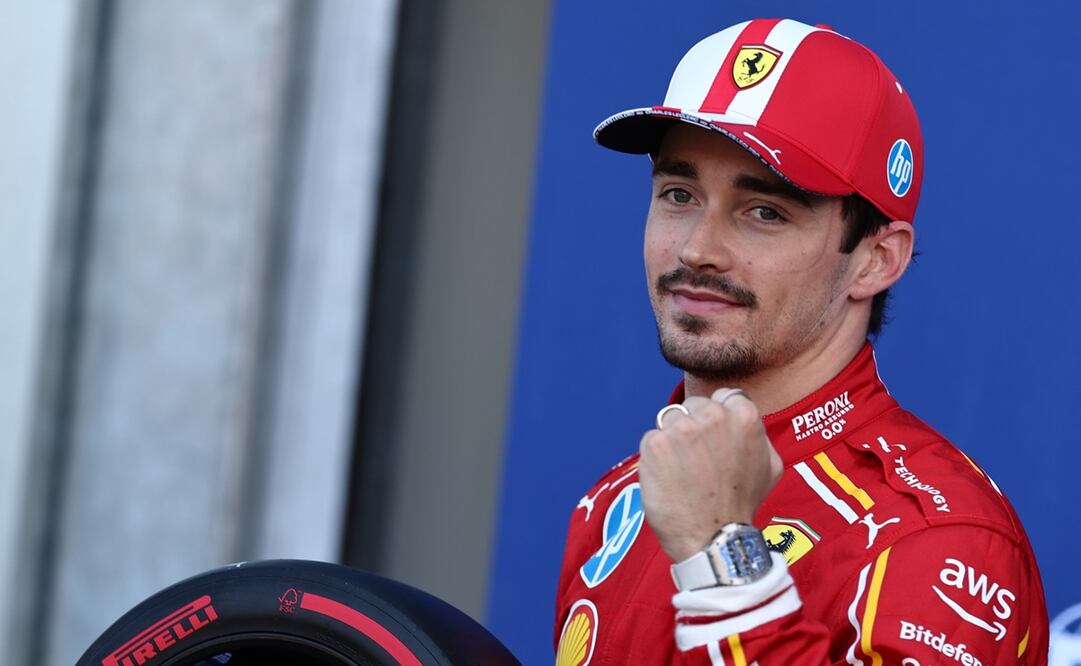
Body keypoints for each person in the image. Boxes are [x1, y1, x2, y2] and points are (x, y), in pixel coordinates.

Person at [554, 18, 1048, 665]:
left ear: (875, 259)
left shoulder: (940, 537)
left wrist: (720, 558)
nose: (697, 248)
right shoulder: (616, 500)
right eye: (678, 194)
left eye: (764, 212)